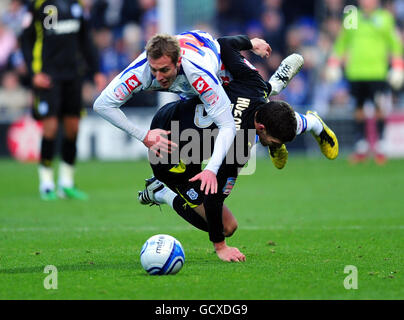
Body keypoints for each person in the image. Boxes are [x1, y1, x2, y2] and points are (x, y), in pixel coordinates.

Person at [137, 35, 339, 262]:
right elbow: (213, 199)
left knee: (261, 90)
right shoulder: (240, 146)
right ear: (261, 127)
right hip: (168, 152)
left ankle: (308, 119)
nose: (275, 142)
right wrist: (220, 247)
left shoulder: (254, 87)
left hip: (180, 118)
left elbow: (224, 44)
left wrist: (251, 44)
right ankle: (160, 191)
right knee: (225, 227)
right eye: (274, 142)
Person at [93, 30, 304, 196]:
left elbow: (227, 125)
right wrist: (144, 136)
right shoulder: (141, 71)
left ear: (175, 63)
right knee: (239, 121)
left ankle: (279, 105)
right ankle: (273, 121)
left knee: (254, 100)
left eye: (163, 70)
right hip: (187, 86)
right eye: (153, 70)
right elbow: (102, 105)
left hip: (218, 68)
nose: (157, 77)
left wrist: (250, 43)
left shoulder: (199, 73)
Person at [20, 0, 106, 200]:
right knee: (49, 127)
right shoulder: (38, 4)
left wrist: (96, 71)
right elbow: (26, 39)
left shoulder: (76, 5)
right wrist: (34, 73)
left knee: (73, 128)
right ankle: (46, 183)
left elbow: (86, 39)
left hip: (73, 76)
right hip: (48, 77)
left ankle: (66, 183)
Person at [325, 0, 404, 164]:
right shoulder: (351, 16)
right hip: (356, 71)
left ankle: (380, 146)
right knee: (358, 108)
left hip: (378, 72)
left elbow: (395, 43)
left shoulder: (385, 18)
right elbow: (342, 41)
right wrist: (334, 62)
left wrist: (398, 66)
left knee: (379, 107)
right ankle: (361, 146)